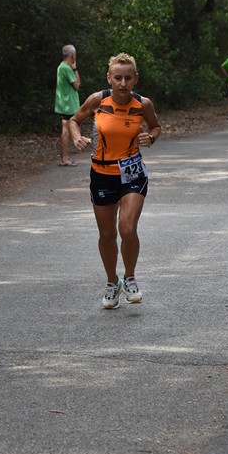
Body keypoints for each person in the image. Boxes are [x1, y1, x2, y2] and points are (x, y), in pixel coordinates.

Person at [69, 53, 161, 309]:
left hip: (132, 174)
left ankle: (130, 278)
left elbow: (155, 127)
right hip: (101, 174)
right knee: (107, 235)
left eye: (128, 78)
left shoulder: (143, 104)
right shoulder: (98, 100)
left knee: (127, 229)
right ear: (109, 77)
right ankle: (113, 282)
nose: (123, 83)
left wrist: (150, 138)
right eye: (118, 77)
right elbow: (75, 121)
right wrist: (76, 138)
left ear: (135, 79)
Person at [54, 44, 81, 166]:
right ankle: (65, 158)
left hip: (65, 104)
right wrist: (75, 69)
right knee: (67, 131)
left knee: (66, 130)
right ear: (72, 55)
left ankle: (65, 157)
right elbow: (77, 85)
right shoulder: (67, 68)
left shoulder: (61, 66)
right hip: (69, 104)